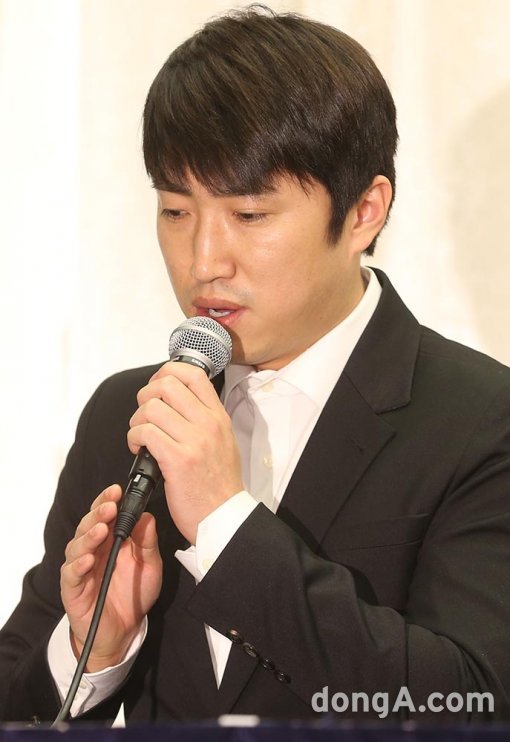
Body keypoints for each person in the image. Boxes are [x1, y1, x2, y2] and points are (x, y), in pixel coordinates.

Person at [1, 4, 510, 725]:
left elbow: (471, 706)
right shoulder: (132, 412)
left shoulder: (482, 419)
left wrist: (224, 523)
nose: (203, 261)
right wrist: (94, 647)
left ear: (364, 211)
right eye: (176, 212)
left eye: (249, 216)